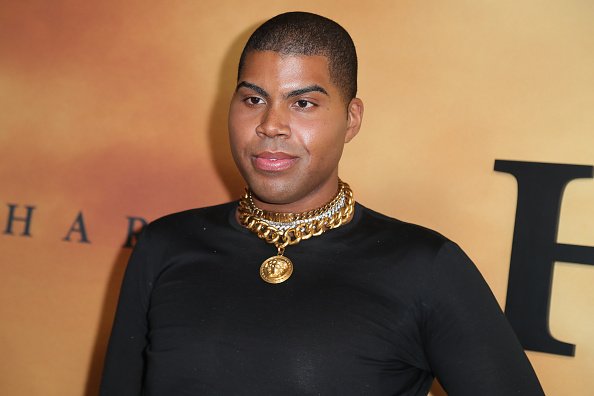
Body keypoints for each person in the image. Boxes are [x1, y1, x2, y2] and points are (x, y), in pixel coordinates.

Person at [100, 11, 545, 395]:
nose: (271, 125)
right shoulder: (164, 245)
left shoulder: (425, 267)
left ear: (351, 119)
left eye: (304, 103)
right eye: (253, 99)